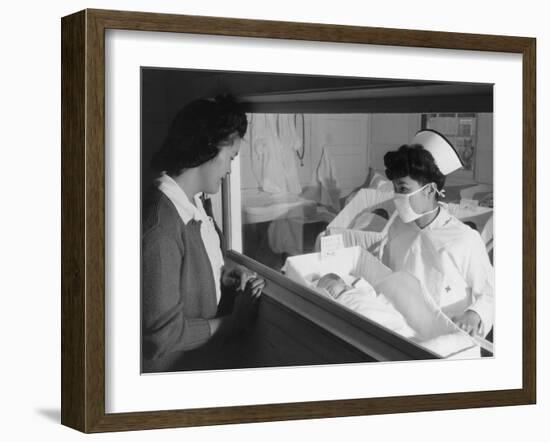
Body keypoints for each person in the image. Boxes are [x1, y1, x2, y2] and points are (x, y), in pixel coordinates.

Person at [142, 95, 265, 373]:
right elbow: (162, 337)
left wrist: (225, 274)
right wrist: (232, 323)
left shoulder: (193, 202)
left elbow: (186, 270)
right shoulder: (160, 227)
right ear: (210, 147)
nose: (230, 169)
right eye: (230, 157)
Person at [381, 129, 494, 340]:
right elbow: (388, 276)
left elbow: (491, 293)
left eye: (403, 189)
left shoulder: (464, 238)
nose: (397, 197)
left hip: (447, 338)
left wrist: (474, 314)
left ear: (430, 190)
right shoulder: (397, 227)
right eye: (395, 188)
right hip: (403, 331)